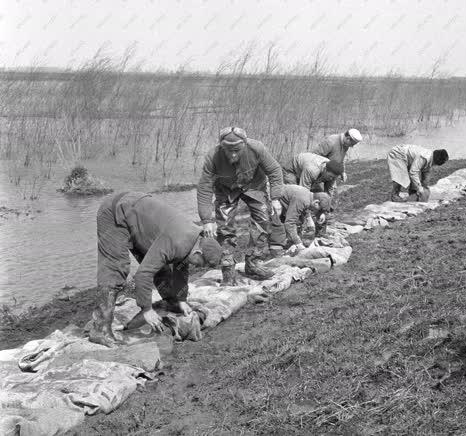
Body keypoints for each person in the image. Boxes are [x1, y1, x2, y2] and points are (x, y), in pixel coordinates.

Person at [89, 191, 223, 348]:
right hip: (115, 212)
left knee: (162, 267)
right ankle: (100, 329)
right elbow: (142, 275)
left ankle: (171, 302)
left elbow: (181, 269)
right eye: (200, 263)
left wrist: (180, 300)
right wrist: (147, 309)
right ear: (198, 252)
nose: (197, 266)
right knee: (115, 269)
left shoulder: (192, 241)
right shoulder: (177, 241)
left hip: (138, 212)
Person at [197, 126, 284, 282]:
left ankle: (253, 263)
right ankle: (228, 270)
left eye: (237, 149)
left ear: (244, 144)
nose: (233, 154)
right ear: (222, 146)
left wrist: (276, 197)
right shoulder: (213, 157)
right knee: (224, 228)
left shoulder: (257, 148)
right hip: (226, 189)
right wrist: (206, 220)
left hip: (254, 186)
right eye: (228, 150)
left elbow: (274, 171)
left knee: (263, 221)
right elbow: (204, 187)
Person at [268, 185, 332, 256]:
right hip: (272, 200)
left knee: (299, 221)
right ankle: (275, 250)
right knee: (279, 227)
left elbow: (305, 209)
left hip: (283, 199)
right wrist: (298, 243)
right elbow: (289, 223)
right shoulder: (302, 199)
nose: (317, 212)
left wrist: (309, 218)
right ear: (316, 202)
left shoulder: (309, 196)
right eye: (319, 210)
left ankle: (289, 241)